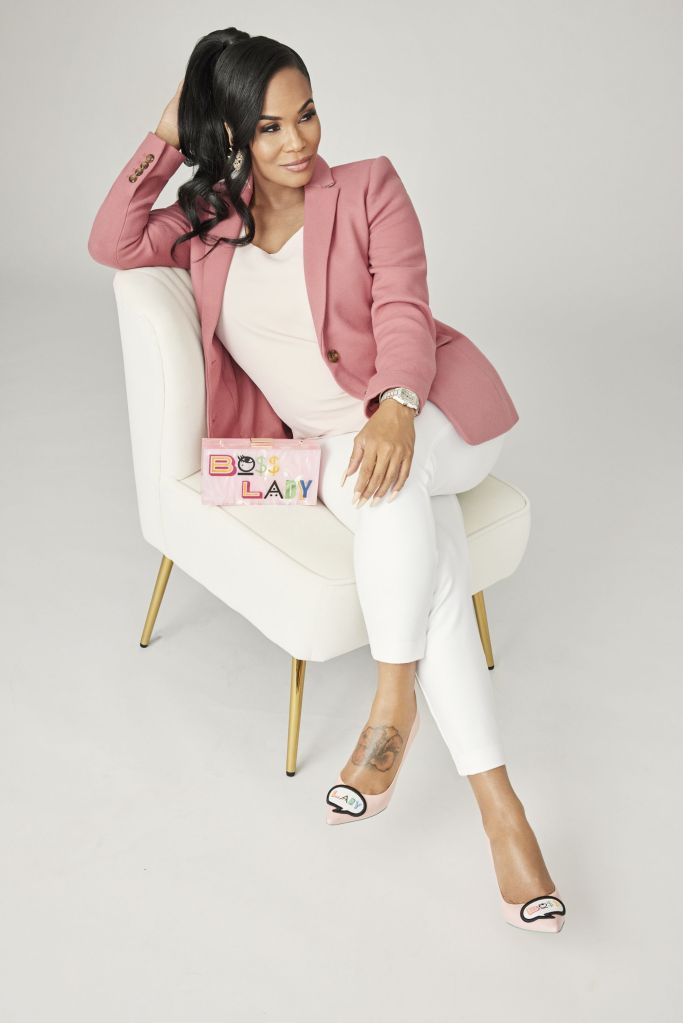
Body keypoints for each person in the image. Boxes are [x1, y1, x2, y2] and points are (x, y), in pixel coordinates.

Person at [88, 27, 566, 932]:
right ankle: (502, 812)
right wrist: (164, 135)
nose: (298, 140)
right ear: (230, 135)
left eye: (305, 114)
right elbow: (111, 241)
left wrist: (395, 406)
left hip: (431, 417)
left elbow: (404, 308)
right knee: (428, 553)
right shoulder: (206, 226)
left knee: (395, 484)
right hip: (328, 454)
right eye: (268, 127)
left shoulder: (370, 188)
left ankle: (391, 702)